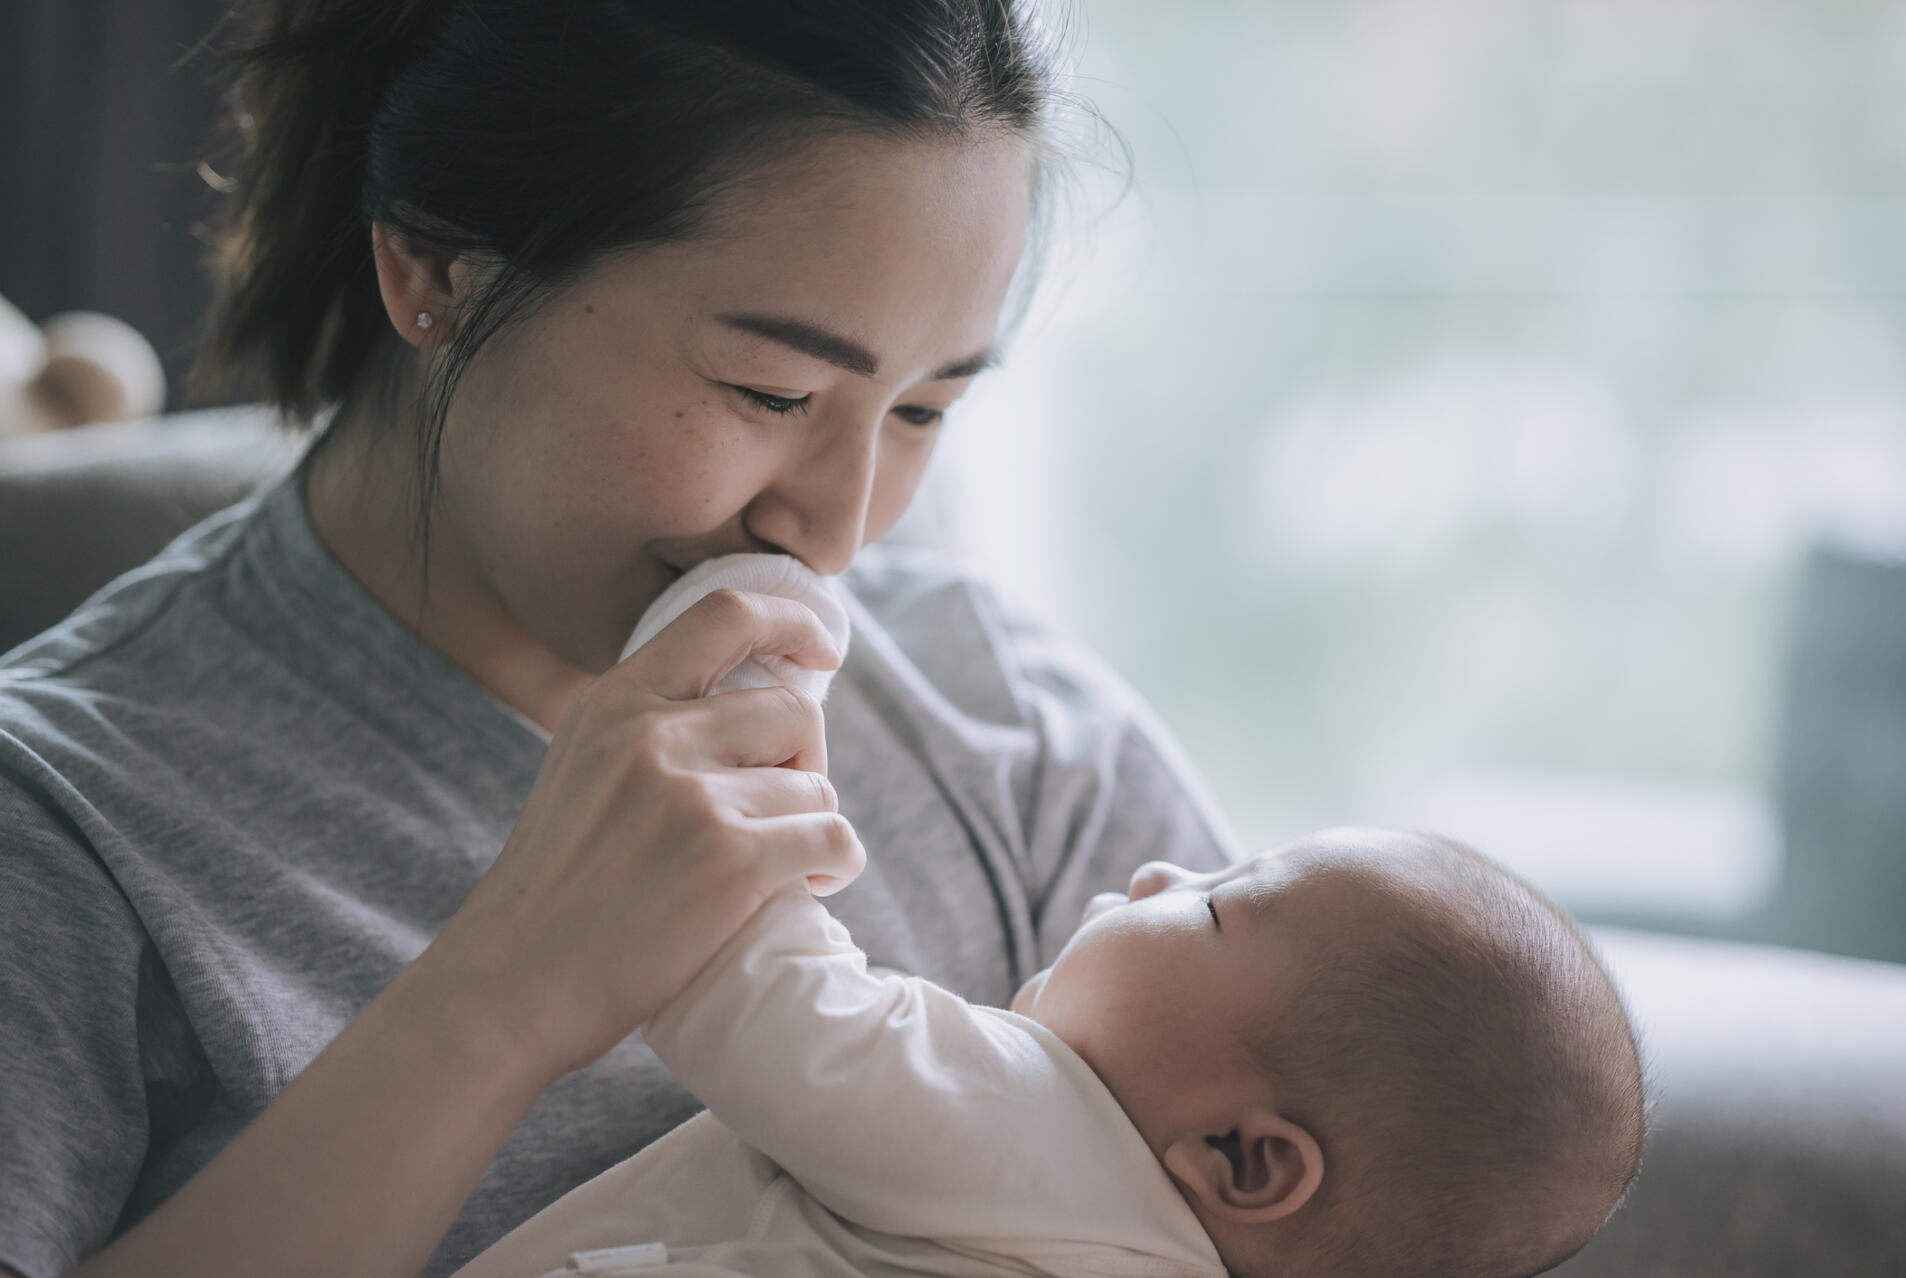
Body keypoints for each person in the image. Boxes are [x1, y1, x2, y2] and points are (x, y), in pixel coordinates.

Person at [0, 3, 1241, 1277]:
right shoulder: (59, 825)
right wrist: (506, 996)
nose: (840, 526)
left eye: (924, 409)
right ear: (433, 263)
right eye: (775, 392)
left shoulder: (1011, 735)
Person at [444, 593, 1644, 1278]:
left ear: (1243, 1159)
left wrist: (743, 685)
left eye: (1216, 903)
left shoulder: (1038, 1133)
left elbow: (754, 997)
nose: (1164, 864)